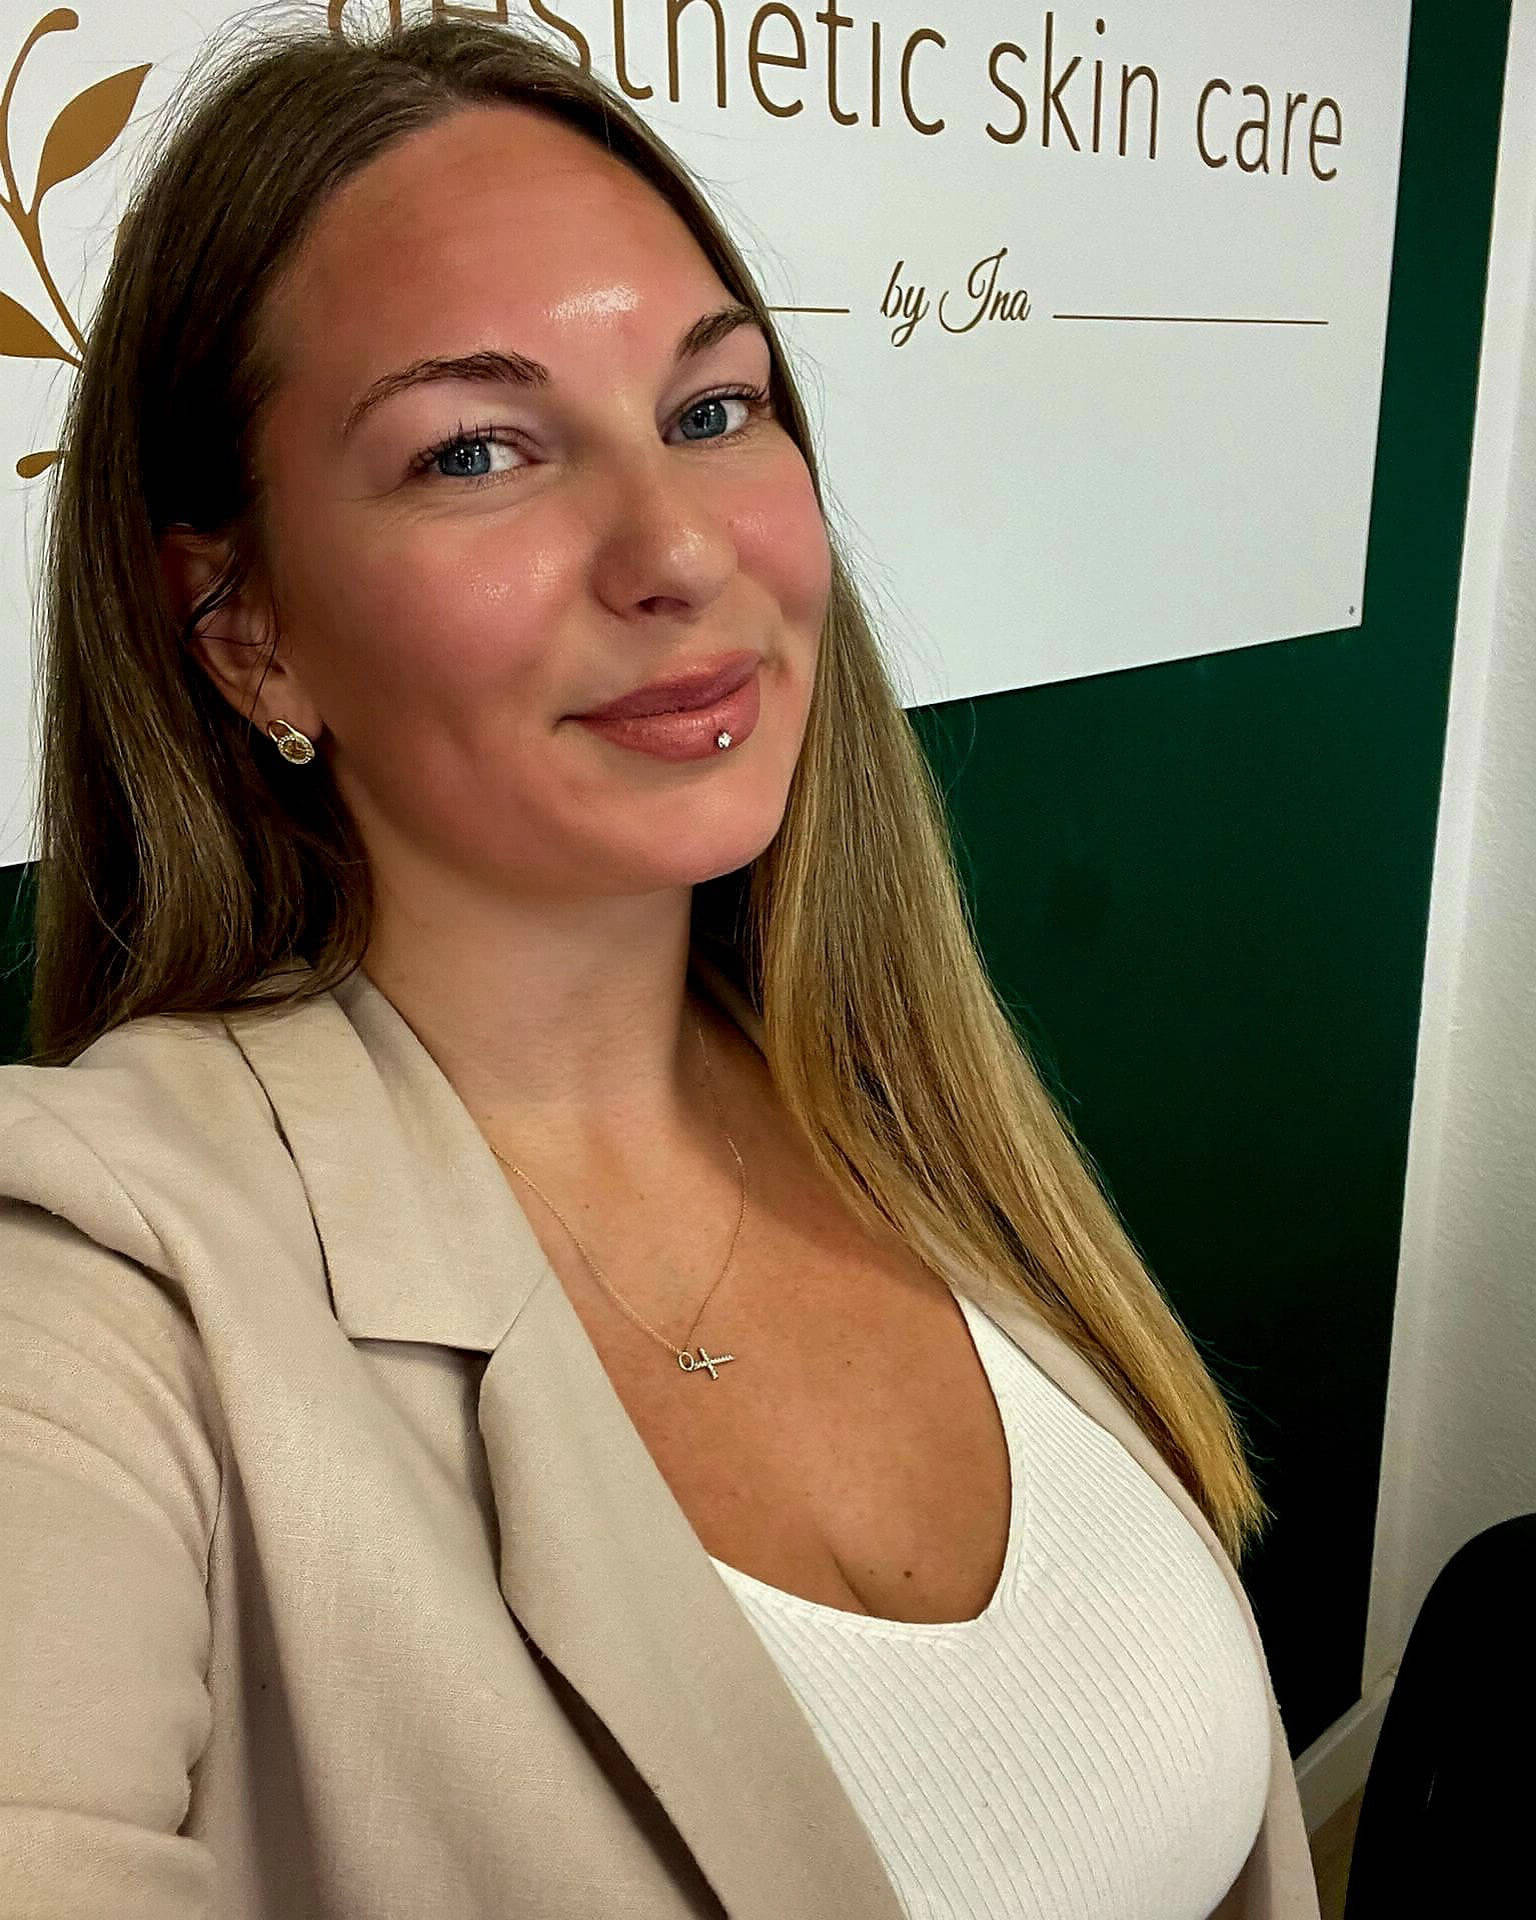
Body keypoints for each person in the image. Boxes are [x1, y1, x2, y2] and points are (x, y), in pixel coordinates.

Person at [0, 11, 1318, 1919]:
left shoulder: (902, 1104)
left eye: (712, 411)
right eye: (475, 449)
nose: (679, 549)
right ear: (244, 628)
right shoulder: (104, 1285)